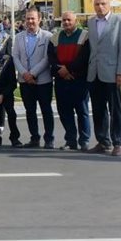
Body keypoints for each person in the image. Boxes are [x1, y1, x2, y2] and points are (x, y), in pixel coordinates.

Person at [86, 0, 121, 156]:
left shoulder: (120, 20)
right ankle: (103, 141)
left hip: (112, 73)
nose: (100, 7)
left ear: (109, 5)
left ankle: (119, 142)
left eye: (103, 3)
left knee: (115, 109)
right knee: (98, 110)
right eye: (97, 4)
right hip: (94, 72)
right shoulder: (91, 22)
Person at [12, 8, 55, 149]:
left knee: (46, 110)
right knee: (30, 111)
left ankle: (49, 139)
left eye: (33, 18)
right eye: (28, 18)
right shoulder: (19, 37)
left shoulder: (47, 36)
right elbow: (15, 57)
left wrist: (33, 73)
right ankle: (34, 138)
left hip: (43, 80)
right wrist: (24, 73)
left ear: (39, 19)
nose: (30, 21)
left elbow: (47, 58)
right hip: (25, 81)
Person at [49, 11, 92, 151]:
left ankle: (84, 140)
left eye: (69, 20)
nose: (66, 22)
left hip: (79, 79)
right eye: (64, 20)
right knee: (64, 111)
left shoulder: (85, 36)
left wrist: (68, 70)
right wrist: (60, 70)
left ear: (76, 21)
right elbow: (51, 58)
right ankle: (70, 140)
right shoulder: (55, 37)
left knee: (82, 111)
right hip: (61, 80)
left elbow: (84, 58)